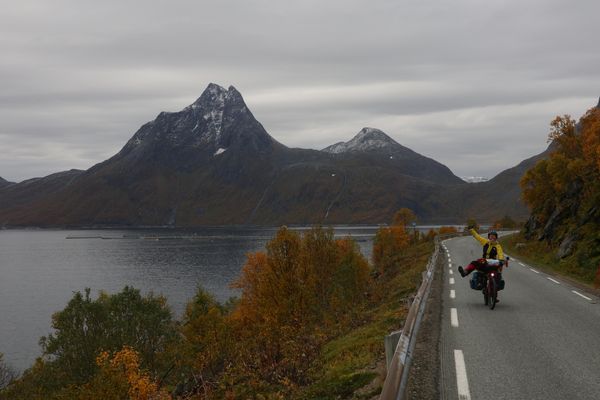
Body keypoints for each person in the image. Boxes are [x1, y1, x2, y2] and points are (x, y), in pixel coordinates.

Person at [458, 228, 506, 298]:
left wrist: (501, 260)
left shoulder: (498, 246)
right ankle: (465, 272)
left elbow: (500, 253)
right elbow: (477, 237)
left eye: (494, 236)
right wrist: (472, 230)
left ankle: (495, 294)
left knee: (497, 275)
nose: (492, 237)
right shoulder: (485, 242)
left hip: (493, 263)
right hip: (484, 262)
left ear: (496, 237)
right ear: (488, 237)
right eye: (490, 236)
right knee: (475, 263)